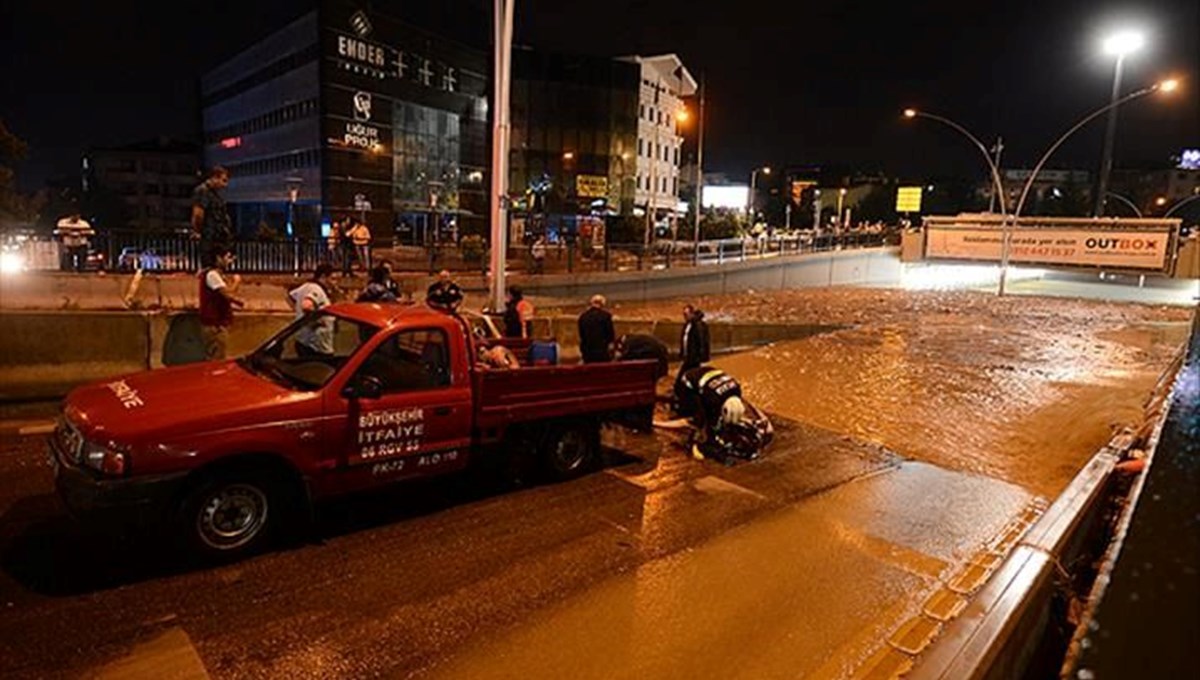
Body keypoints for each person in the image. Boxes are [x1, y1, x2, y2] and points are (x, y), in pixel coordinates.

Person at [674, 365, 772, 462]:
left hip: (708, 371)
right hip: (688, 381)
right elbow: (697, 421)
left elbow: (747, 405)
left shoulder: (736, 390)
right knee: (702, 420)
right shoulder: (713, 400)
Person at [198, 246, 245, 361]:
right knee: (216, 361)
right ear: (218, 258)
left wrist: (237, 302)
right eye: (228, 257)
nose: (230, 261)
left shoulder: (214, 274)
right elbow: (228, 293)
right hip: (215, 325)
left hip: (216, 324)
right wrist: (237, 281)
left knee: (215, 358)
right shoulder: (212, 275)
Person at [288, 263, 336, 357]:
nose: (335, 282)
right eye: (332, 279)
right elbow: (306, 305)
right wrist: (315, 322)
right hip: (315, 346)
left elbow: (290, 297)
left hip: (303, 341)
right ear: (323, 277)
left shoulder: (306, 286)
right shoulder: (316, 289)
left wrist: (298, 313)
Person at [191, 166, 234, 258]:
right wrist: (199, 232)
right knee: (210, 267)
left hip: (217, 238)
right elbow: (198, 215)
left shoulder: (214, 194)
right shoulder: (203, 191)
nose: (224, 185)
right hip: (209, 238)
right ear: (215, 177)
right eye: (223, 180)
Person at [675, 304, 711, 400]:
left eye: (686, 314)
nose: (685, 316)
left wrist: (700, 357)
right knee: (692, 378)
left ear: (692, 313)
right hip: (689, 357)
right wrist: (682, 353)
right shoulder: (687, 325)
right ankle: (690, 396)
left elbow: (701, 342)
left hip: (693, 358)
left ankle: (682, 396)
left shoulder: (698, 325)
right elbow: (685, 340)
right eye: (684, 314)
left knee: (681, 379)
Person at [577, 294, 615, 363]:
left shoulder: (583, 317)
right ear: (602, 304)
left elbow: (581, 335)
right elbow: (610, 335)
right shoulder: (606, 316)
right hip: (602, 352)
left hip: (588, 352)